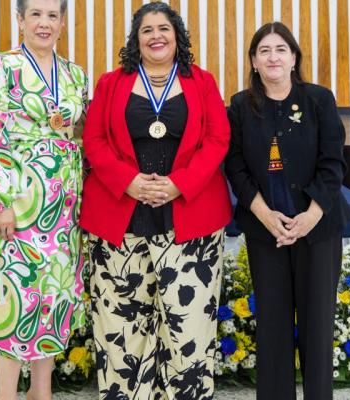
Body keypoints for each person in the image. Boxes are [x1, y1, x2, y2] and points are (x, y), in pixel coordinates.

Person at [79, 2, 232, 399]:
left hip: (190, 219)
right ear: (136, 39)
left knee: (188, 329)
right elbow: (93, 140)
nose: (156, 36)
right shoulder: (111, 83)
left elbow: (218, 139)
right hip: (120, 222)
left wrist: (180, 183)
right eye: (146, 30)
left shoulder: (203, 81)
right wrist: (128, 182)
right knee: (120, 329)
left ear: (177, 36)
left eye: (164, 28)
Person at [0, 1, 88, 399]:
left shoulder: (75, 74)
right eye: (36, 14)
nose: (44, 23)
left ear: (62, 23)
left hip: (61, 206)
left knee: (53, 294)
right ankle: (7, 392)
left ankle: (41, 391)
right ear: (20, 20)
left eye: (52, 16)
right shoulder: (1, 67)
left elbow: (80, 132)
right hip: (16, 203)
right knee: (11, 293)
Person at [224, 22, 350, 399]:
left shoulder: (318, 100)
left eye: (281, 49)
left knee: (317, 327)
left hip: (318, 231)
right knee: (274, 328)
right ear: (253, 61)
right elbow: (236, 167)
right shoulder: (240, 105)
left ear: (294, 58)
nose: (273, 57)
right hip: (266, 232)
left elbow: (334, 163)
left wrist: (311, 216)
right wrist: (264, 214)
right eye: (264, 51)